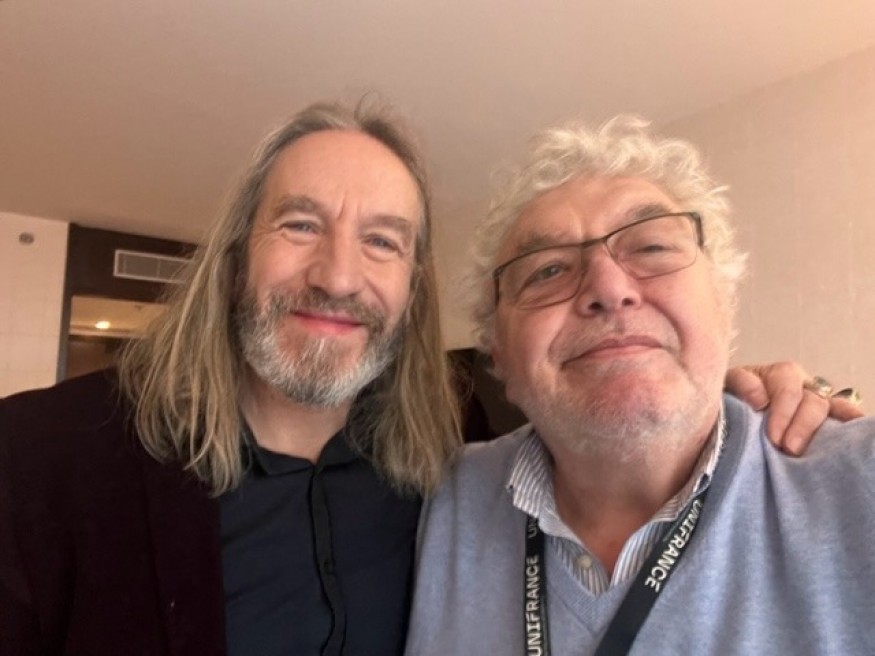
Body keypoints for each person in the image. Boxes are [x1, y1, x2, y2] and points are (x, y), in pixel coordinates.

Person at [0, 101, 853, 656]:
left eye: (382, 240)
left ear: (412, 293)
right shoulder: (33, 463)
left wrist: (735, 395)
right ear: (231, 264)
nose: (339, 275)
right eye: (300, 225)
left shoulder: (433, 479)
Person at [406, 116, 872, 655]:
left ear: (724, 305)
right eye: (548, 270)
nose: (609, 288)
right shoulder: (434, 501)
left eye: (651, 247)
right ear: (500, 355)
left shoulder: (860, 483)